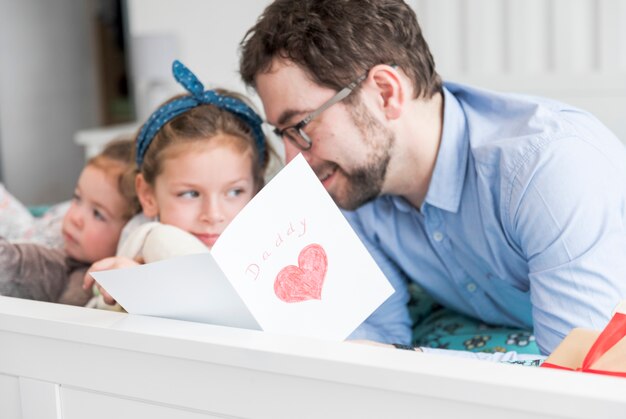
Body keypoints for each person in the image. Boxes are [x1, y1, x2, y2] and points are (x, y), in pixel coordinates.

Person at [239, 0, 626, 356]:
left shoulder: (546, 170)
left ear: (386, 94)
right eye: (282, 134)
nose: (293, 161)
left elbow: (580, 380)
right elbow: (373, 343)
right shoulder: (347, 183)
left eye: (300, 127)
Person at [84, 60, 274, 304]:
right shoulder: (141, 253)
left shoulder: (269, 245)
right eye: (190, 194)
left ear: (256, 191)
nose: (213, 215)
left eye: (235, 191)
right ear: (148, 196)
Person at [0, 138, 140, 305]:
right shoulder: (57, 228)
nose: (75, 218)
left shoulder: (88, 281)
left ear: (129, 232)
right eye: (77, 198)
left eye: (97, 214)